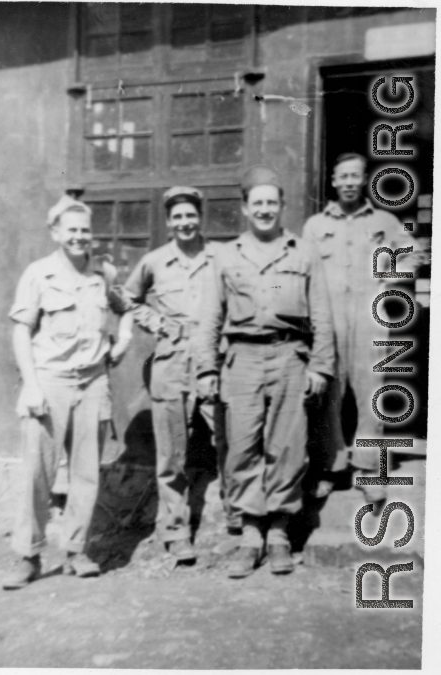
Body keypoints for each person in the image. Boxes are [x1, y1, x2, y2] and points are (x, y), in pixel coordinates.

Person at [194, 166, 335, 578]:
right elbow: (208, 319)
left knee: (288, 447)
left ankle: (278, 534)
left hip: (290, 356)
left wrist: (322, 366)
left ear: (282, 206)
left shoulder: (303, 251)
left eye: (272, 202)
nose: (265, 210)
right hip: (241, 360)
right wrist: (207, 369)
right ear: (244, 208)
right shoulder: (225, 255)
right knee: (241, 447)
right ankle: (250, 535)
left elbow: (323, 315)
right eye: (257, 203)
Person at [2, 195, 126, 590]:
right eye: (71, 230)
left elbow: (126, 307)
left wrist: (122, 340)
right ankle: (28, 555)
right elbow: (21, 330)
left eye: (85, 230)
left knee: (87, 473)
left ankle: (76, 550)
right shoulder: (38, 275)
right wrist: (32, 385)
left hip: (93, 382)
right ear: (55, 233)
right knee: (37, 474)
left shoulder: (102, 274)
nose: (79, 237)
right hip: (50, 381)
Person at [116, 186, 240, 563]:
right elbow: (125, 296)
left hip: (214, 359)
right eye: (178, 217)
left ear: (200, 218)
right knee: (171, 451)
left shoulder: (221, 255)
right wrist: (154, 321)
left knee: (231, 437)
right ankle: (176, 530)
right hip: (171, 363)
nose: (185, 223)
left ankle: (238, 520)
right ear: (169, 222)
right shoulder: (154, 261)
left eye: (191, 215)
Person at [303, 152, 419, 502]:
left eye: (356, 176)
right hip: (328, 321)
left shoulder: (384, 219)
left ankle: (370, 471)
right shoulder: (314, 226)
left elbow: (411, 254)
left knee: (372, 393)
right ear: (334, 182)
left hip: (371, 317)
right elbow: (301, 269)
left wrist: (391, 282)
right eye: (344, 176)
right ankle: (330, 468)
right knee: (328, 394)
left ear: (364, 179)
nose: (350, 182)